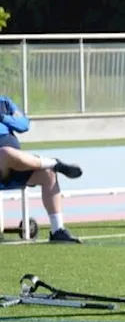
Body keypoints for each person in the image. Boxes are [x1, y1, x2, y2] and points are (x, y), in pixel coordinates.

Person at [0, 95, 83, 243]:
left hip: (15, 168)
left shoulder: (4, 102)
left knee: (47, 174)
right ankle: (53, 162)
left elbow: (24, 124)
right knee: (5, 152)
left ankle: (58, 230)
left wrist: (3, 118)